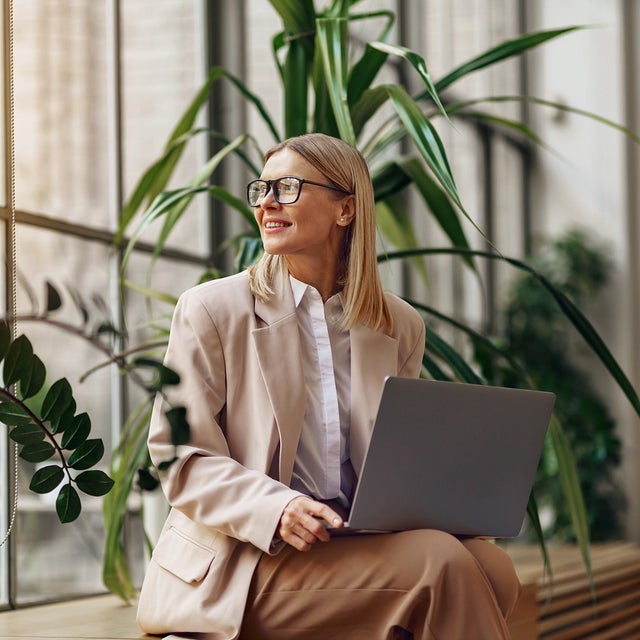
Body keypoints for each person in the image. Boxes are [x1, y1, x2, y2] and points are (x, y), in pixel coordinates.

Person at [136, 133, 521, 640]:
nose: (267, 203)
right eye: (262, 189)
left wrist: (450, 498)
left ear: (346, 211)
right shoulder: (213, 309)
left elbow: (396, 459)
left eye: (289, 187)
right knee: (442, 565)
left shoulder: (397, 325)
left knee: (494, 569)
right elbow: (178, 457)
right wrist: (279, 509)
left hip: (349, 540)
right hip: (245, 559)